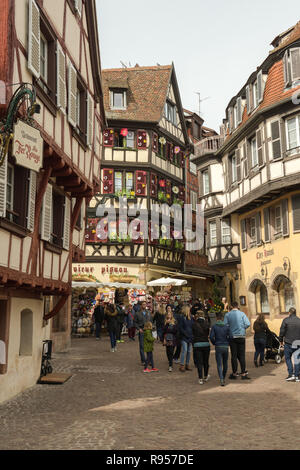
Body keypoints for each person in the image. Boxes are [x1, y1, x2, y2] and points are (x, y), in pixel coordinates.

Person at [224, 301, 251, 380]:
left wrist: (230, 329)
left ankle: (235, 373)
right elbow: (248, 323)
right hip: (241, 336)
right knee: (242, 355)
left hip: (232, 336)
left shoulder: (227, 315)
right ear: (237, 306)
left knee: (234, 356)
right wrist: (242, 328)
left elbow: (225, 325)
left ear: (231, 306)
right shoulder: (242, 314)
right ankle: (243, 373)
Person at [210, 311, 231, 386]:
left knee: (219, 364)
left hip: (218, 346)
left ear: (216, 318)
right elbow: (230, 336)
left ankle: (221, 379)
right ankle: (223, 377)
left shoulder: (214, 326)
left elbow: (211, 337)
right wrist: (228, 342)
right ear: (222, 318)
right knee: (225, 363)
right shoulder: (226, 326)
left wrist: (214, 343)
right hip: (225, 346)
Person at [279, 307, 300, 382]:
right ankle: (297, 376)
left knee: (288, 358)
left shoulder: (286, 320)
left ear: (289, 313)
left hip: (288, 342)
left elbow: (282, 331)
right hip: (297, 343)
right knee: (297, 359)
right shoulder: (299, 320)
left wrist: (280, 340)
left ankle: (291, 374)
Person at [192, 311, 211, 385]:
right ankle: (206, 376)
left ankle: (200, 378)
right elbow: (208, 333)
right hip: (206, 344)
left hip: (197, 344)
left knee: (199, 362)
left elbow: (193, 333)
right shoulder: (207, 323)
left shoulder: (194, 324)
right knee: (206, 361)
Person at [134, 301, 152, 366]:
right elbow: (135, 322)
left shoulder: (148, 312)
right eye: (143, 304)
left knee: (148, 346)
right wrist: (139, 329)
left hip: (148, 331)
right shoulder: (137, 313)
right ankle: (143, 360)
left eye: (145, 304)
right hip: (142, 330)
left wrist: (151, 328)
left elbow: (151, 321)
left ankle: (148, 360)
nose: (144, 305)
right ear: (140, 305)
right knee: (142, 346)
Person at [178, 305, 193, 372]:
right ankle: (182, 365)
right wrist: (185, 334)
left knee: (189, 351)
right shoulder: (181, 318)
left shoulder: (191, 318)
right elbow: (180, 328)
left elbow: (192, 326)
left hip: (190, 336)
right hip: (184, 336)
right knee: (185, 350)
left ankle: (187, 364)